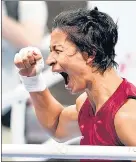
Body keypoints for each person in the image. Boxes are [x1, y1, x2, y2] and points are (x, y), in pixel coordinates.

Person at [14, 7, 136, 162]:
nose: (49, 60)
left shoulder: (127, 116)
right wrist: (32, 79)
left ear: (90, 54)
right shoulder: (87, 104)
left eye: (58, 51)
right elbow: (57, 125)